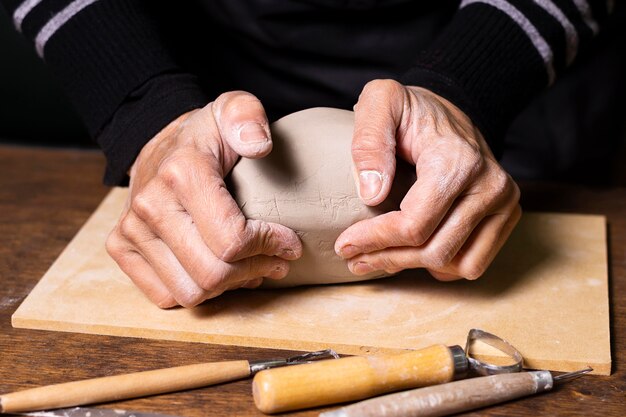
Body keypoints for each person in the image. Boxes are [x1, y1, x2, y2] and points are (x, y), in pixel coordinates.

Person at [1, 0, 615, 307]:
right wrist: (145, 112)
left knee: (462, 224)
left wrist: (465, 89)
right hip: (213, 74)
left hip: (500, 90)